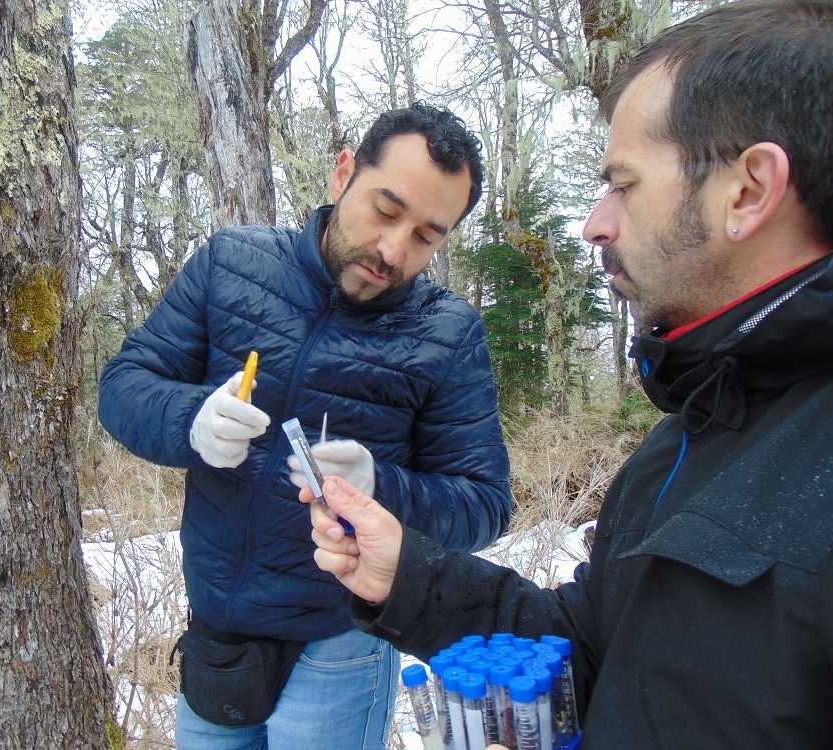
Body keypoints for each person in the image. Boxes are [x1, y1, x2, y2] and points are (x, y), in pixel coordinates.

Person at [300, 2, 833, 747]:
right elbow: (588, 650)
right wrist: (408, 576)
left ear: (747, 191)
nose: (594, 224)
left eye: (623, 183)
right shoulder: (686, 434)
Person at [98, 103, 513, 749]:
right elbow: (123, 386)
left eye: (428, 235)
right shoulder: (231, 264)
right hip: (218, 628)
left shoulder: (448, 334)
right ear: (343, 173)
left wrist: (384, 488)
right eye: (386, 208)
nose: (394, 250)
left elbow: (485, 503)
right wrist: (190, 420)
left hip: (341, 638)